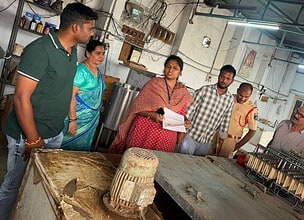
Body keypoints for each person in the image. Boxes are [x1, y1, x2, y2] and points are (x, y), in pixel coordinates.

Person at [0, 3, 97, 219]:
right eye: (90, 28)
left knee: (37, 184)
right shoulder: (40, 50)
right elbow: (20, 97)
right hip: (27, 136)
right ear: (75, 27)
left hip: (53, 133)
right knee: (13, 186)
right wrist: (34, 139)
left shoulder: (71, 53)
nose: (93, 32)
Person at [108, 55, 193, 153]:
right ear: (164, 68)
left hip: (167, 137)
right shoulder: (154, 84)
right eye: (168, 66)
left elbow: (181, 114)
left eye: (175, 68)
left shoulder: (182, 91)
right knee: (137, 159)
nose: (170, 70)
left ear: (180, 72)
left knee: (157, 163)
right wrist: (151, 115)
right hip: (145, 130)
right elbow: (137, 107)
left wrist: (186, 121)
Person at [179, 65, 236, 156]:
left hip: (206, 142)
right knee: (181, 161)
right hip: (190, 136)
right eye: (222, 77)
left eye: (228, 78)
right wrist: (182, 131)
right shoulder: (205, 90)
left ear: (232, 81)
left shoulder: (230, 100)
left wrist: (222, 138)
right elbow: (189, 110)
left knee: (195, 167)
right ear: (219, 76)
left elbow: (226, 120)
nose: (224, 80)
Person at [61, 40, 106, 151]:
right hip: (77, 117)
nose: (101, 56)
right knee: (66, 149)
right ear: (88, 53)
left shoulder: (98, 71)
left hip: (90, 120)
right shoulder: (81, 70)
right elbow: (70, 96)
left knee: (81, 151)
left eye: (103, 53)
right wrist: (73, 120)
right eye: (98, 53)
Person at [213, 83, 258, 158]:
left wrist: (236, 147)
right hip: (216, 135)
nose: (243, 99)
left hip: (231, 142)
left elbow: (252, 131)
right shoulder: (229, 98)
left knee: (220, 164)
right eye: (241, 95)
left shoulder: (252, 109)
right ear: (237, 91)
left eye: (246, 97)